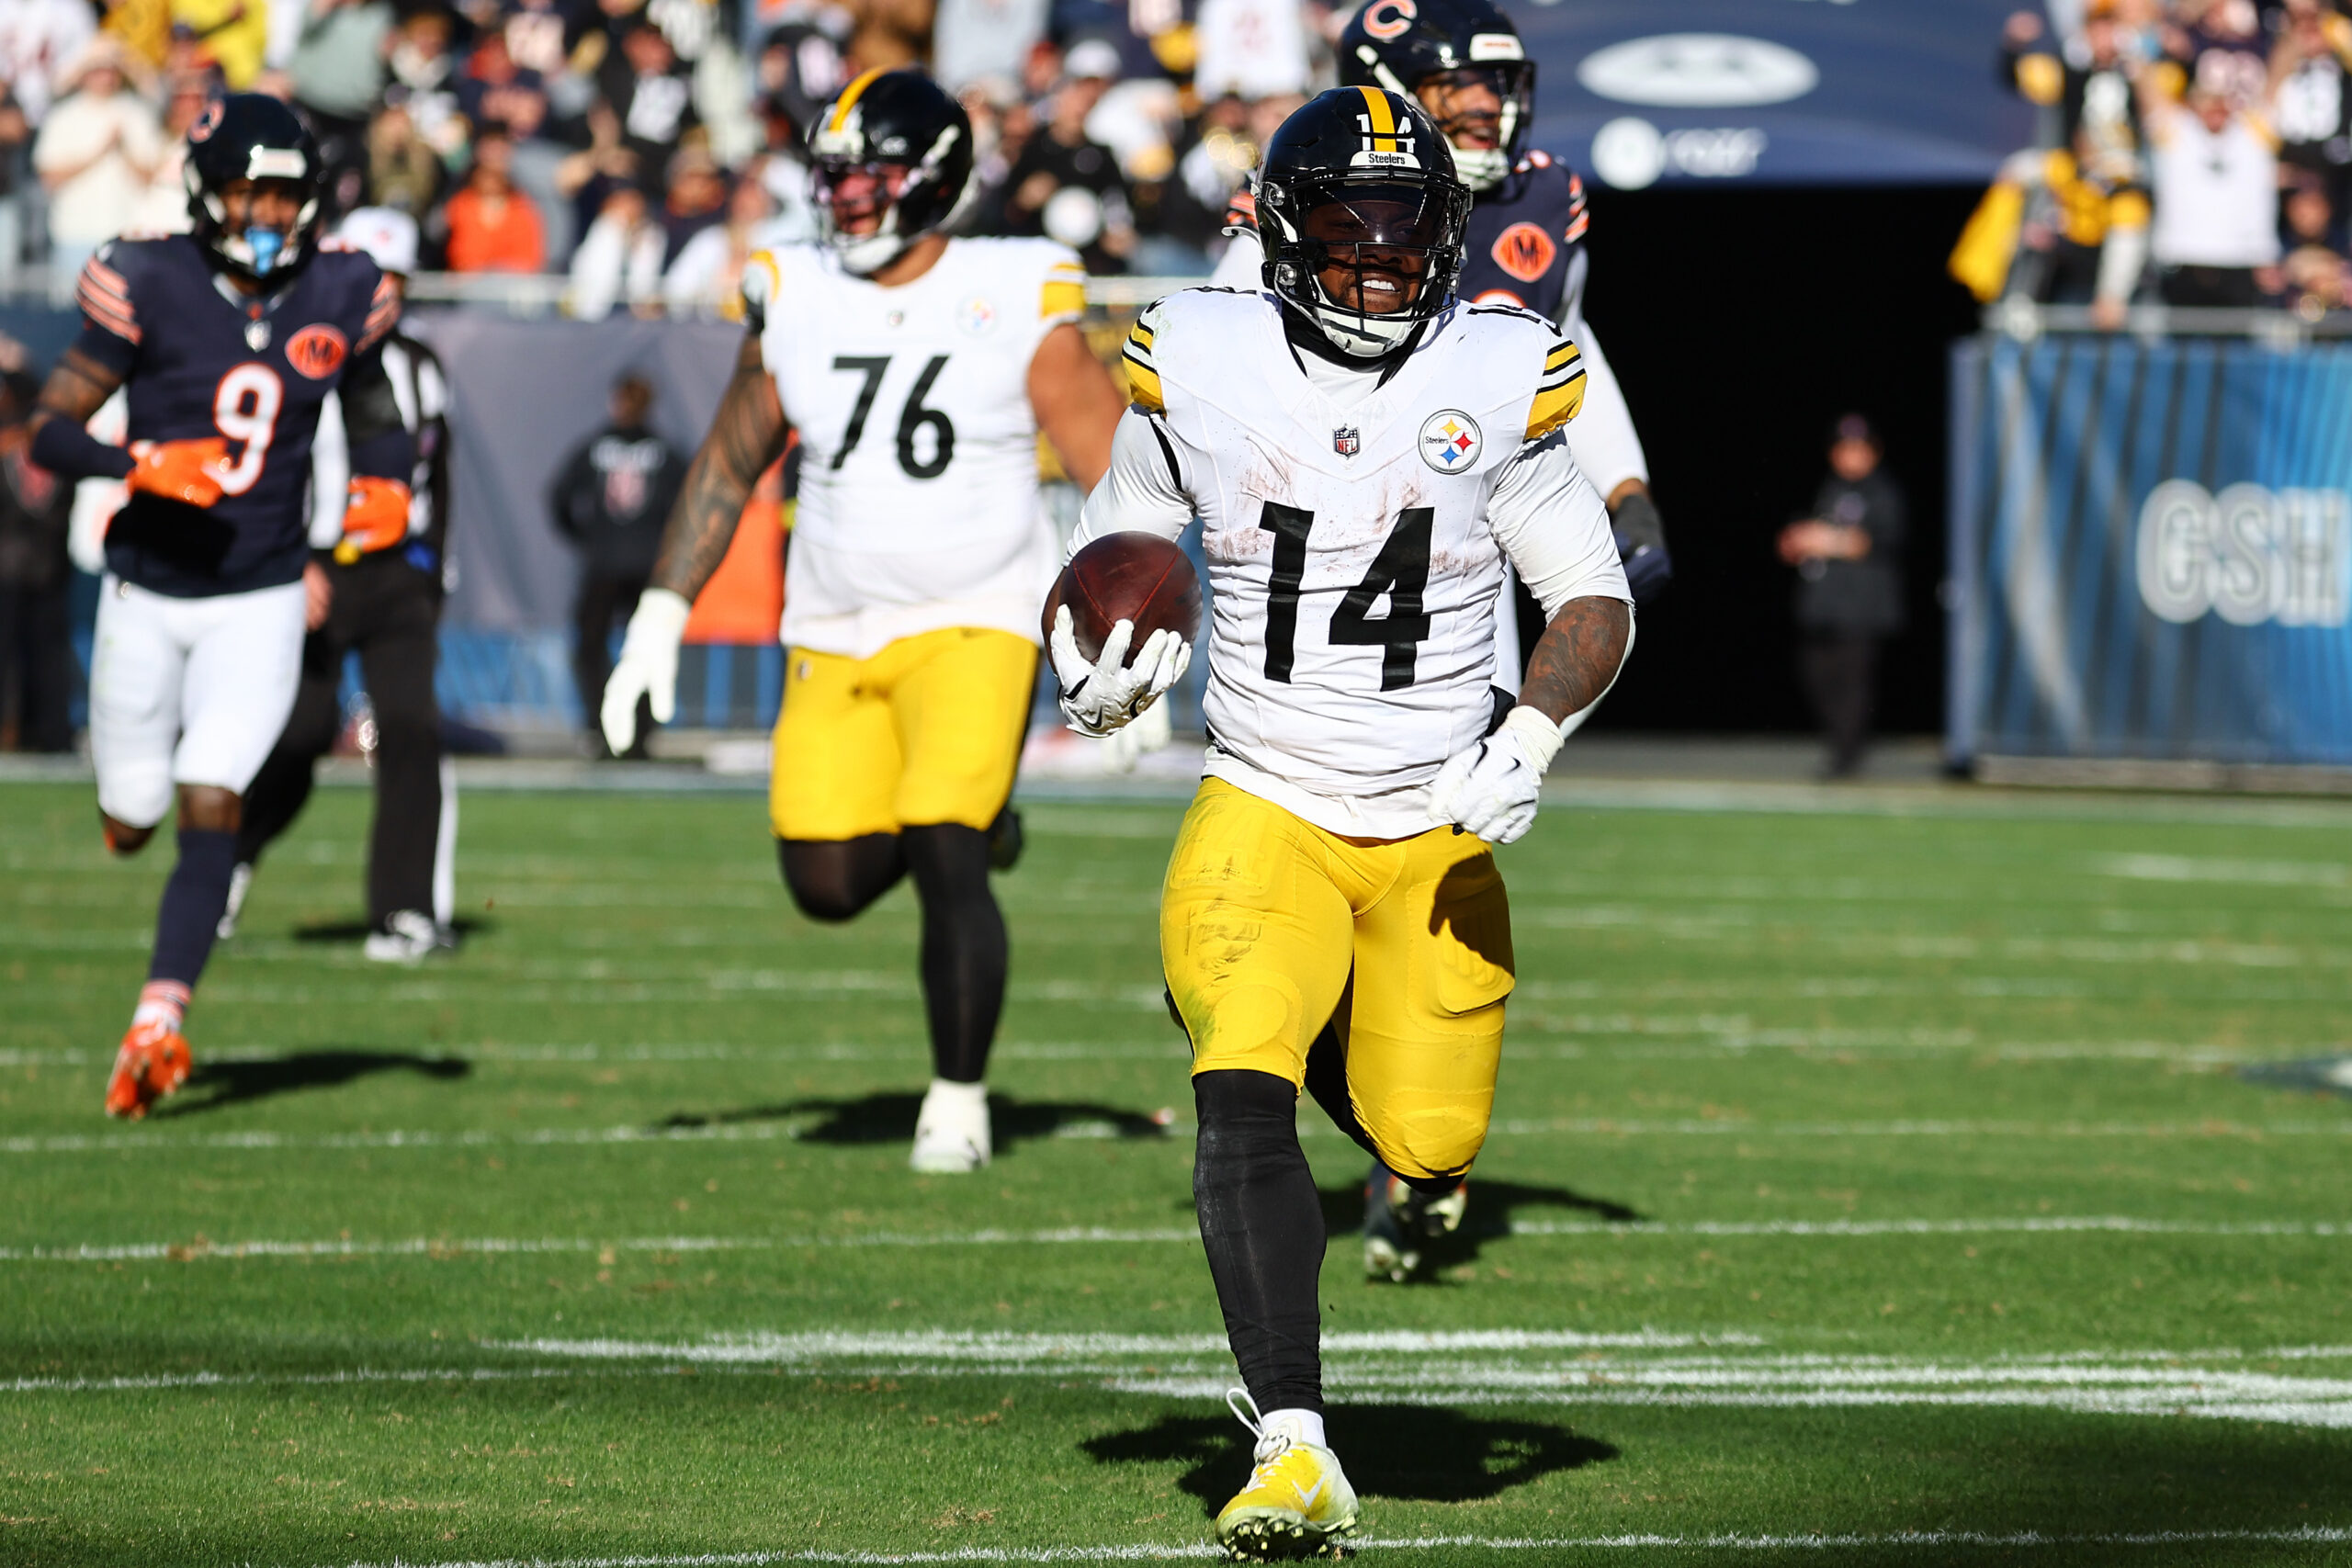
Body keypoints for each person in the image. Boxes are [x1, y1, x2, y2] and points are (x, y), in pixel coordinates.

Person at [1067, 88, 1631, 1556]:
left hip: (1437, 809)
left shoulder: (1501, 370)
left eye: (1408, 243)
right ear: (1276, 229)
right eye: (1347, 238)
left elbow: (1592, 593)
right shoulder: (1199, 354)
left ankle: (1302, 1027)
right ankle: (1294, 1442)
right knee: (1239, 1082)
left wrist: (1535, 730)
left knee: (1426, 1143)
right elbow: (1119, 522)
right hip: (1263, 791)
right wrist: (1100, 650)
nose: (1380, 271)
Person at [1212, 0, 1668, 1283]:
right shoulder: (1312, 193)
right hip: (1322, 577)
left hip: (1460, 576)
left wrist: (1623, 488)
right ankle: (1383, 1138)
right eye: (1453, 91)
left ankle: (1409, 1154)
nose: (1485, 111)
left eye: (1496, 89)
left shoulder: (1541, 200)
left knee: (1431, 859)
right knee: (1309, 871)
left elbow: (1561, 344)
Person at [598, 69, 1125, 1173]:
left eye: (869, 178)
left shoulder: (1018, 283)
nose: (843, 200)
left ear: (933, 182)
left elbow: (1110, 468)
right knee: (825, 883)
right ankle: (988, 826)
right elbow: (735, 452)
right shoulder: (793, 285)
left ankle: (958, 1097)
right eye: (832, 178)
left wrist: (1111, 623)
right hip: (833, 622)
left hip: (980, 609)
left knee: (940, 843)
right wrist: (660, 612)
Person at [25, 94, 413, 1119]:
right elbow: (49, 431)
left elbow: (376, 421)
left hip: (263, 593)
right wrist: (140, 462)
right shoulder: (147, 279)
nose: (268, 213)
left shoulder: (342, 289)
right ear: (206, 190)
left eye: (286, 194)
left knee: (213, 797)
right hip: (147, 593)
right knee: (136, 810)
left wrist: (388, 486)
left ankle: (159, 1018)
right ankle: (124, 820)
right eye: (250, 190)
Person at [222, 207, 457, 960]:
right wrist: (294, 563)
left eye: (392, 280)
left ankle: (404, 910)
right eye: (370, 279)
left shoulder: (423, 366)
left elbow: (438, 474)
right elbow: (269, 473)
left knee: (411, 730)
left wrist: (435, 568)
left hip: (397, 576)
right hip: (319, 567)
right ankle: (234, 852)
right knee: (296, 736)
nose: (380, 295)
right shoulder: (301, 360)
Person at [549, 371, 685, 757]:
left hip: (616, 565)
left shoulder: (600, 446)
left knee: (624, 646)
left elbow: (559, 497)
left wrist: (589, 539)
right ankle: (620, 730)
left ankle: (625, 731)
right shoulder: (661, 451)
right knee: (615, 645)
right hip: (634, 566)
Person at [1776, 414, 1905, 781]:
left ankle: (1846, 756)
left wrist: (1823, 539)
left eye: (1858, 448)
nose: (1849, 456)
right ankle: (1841, 746)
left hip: (1862, 607)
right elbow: (1814, 534)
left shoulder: (1884, 491)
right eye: (1843, 448)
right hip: (1823, 605)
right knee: (1815, 675)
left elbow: (1875, 540)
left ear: (1873, 452)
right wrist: (1798, 539)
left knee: (1853, 683)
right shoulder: (1830, 488)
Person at [0, 367, 75, 752]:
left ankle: (47, 731)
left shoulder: (34, 445)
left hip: (35, 567)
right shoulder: (51, 445)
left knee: (43, 657)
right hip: (37, 565)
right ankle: (30, 731)